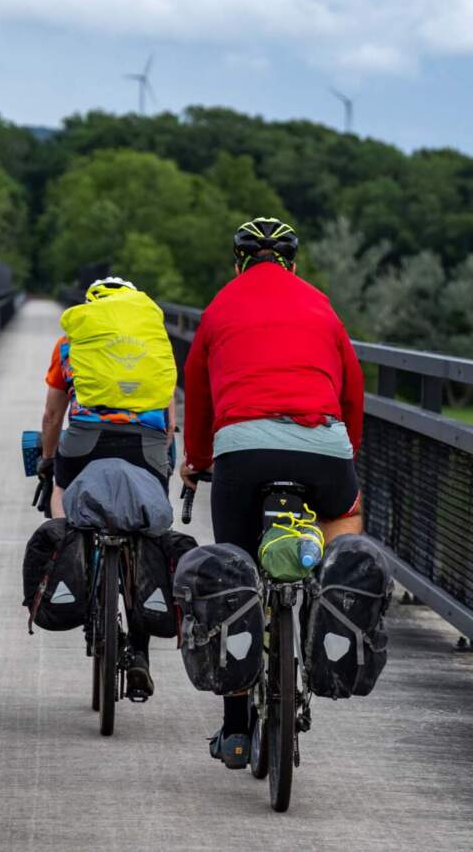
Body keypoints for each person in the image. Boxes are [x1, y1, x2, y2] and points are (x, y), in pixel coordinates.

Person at [179, 218, 365, 769]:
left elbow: (197, 391)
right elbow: (352, 390)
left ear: (237, 261)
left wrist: (197, 462)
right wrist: (345, 456)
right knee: (344, 516)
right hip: (324, 444)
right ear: (293, 262)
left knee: (237, 574)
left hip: (243, 449)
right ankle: (329, 598)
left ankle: (236, 730)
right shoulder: (321, 306)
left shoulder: (219, 308)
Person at [37, 276, 176, 700]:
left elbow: (52, 415)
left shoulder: (70, 343)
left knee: (63, 488)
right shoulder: (153, 342)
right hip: (145, 444)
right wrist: (162, 458)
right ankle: (139, 655)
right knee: (146, 527)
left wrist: (48, 463)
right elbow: (169, 420)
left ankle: (72, 554)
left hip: (85, 440)